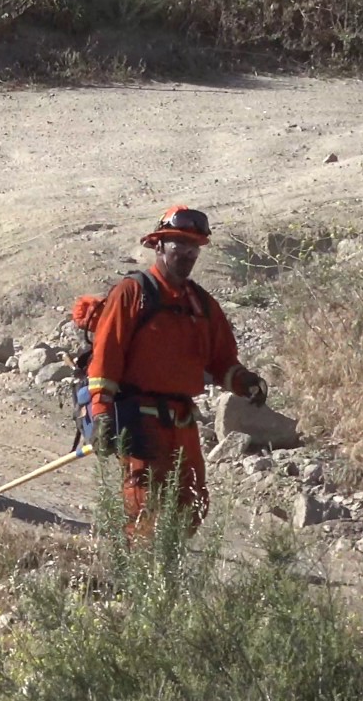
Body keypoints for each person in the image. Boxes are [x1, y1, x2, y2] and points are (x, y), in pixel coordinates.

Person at [86, 206, 268, 540]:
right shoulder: (132, 293)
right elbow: (106, 358)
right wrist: (100, 412)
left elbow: (221, 360)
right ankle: (141, 584)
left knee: (192, 504)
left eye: (193, 246)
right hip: (139, 421)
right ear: (158, 246)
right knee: (144, 506)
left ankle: (171, 576)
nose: (186, 253)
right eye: (178, 244)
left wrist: (244, 382)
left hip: (182, 424)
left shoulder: (201, 304)